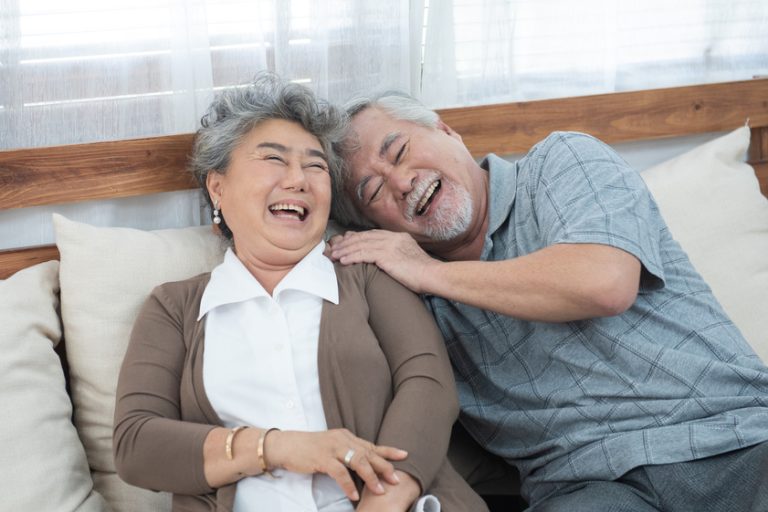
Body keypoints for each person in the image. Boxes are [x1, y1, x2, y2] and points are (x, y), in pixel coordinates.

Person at [327, 90, 768, 512]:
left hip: (732, 441)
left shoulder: (561, 161)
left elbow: (604, 282)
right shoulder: (405, 294)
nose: (402, 182)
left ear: (447, 130)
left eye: (400, 151)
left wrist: (429, 273)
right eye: (372, 192)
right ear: (372, 228)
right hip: (587, 488)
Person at [112, 74, 488, 512]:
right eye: (274, 159)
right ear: (218, 187)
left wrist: (385, 499)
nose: (299, 179)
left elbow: (429, 383)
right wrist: (279, 448)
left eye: (315, 166)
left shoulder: (368, 275)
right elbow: (136, 444)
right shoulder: (174, 308)